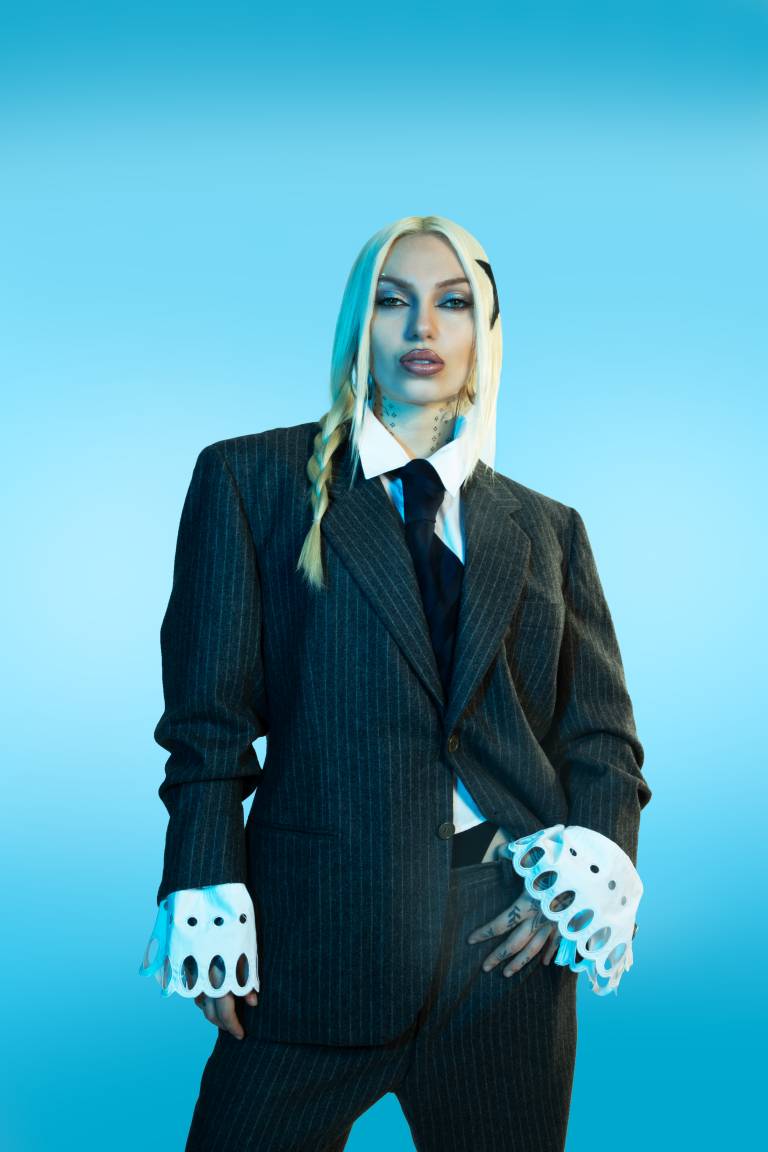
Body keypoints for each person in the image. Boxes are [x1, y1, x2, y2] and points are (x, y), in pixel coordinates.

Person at [139, 214, 652, 1151]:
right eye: (393, 301)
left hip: (504, 958)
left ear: (483, 332)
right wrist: (206, 882)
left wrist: (584, 869)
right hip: (312, 943)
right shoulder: (252, 481)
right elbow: (208, 724)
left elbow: (602, 741)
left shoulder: (549, 529)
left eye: (452, 303)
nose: (423, 327)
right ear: (358, 323)